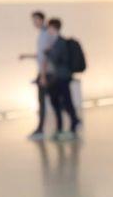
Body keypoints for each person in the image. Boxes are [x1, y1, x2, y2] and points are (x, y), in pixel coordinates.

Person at [43, 18, 81, 140]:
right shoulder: (57, 41)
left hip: (62, 77)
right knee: (58, 101)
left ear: (54, 28)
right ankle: (62, 126)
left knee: (66, 101)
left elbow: (56, 59)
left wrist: (48, 51)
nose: (48, 30)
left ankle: (74, 123)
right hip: (59, 77)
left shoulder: (60, 42)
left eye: (49, 27)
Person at [18, 11, 52, 141]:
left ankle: (40, 129)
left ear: (41, 19)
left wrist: (42, 76)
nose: (34, 23)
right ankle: (42, 128)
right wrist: (26, 56)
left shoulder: (44, 35)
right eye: (33, 20)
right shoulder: (43, 34)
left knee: (43, 101)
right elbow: (40, 55)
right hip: (45, 72)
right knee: (47, 101)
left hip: (46, 73)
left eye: (35, 20)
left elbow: (44, 57)